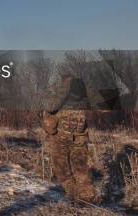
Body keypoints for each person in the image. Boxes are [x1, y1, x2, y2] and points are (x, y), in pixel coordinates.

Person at [43, 76, 100, 204]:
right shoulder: (85, 92)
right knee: (81, 169)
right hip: (80, 137)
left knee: (62, 169)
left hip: (61, 136)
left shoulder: (64, 91)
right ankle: (87, 199)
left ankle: (75, 198)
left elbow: (50, 107)